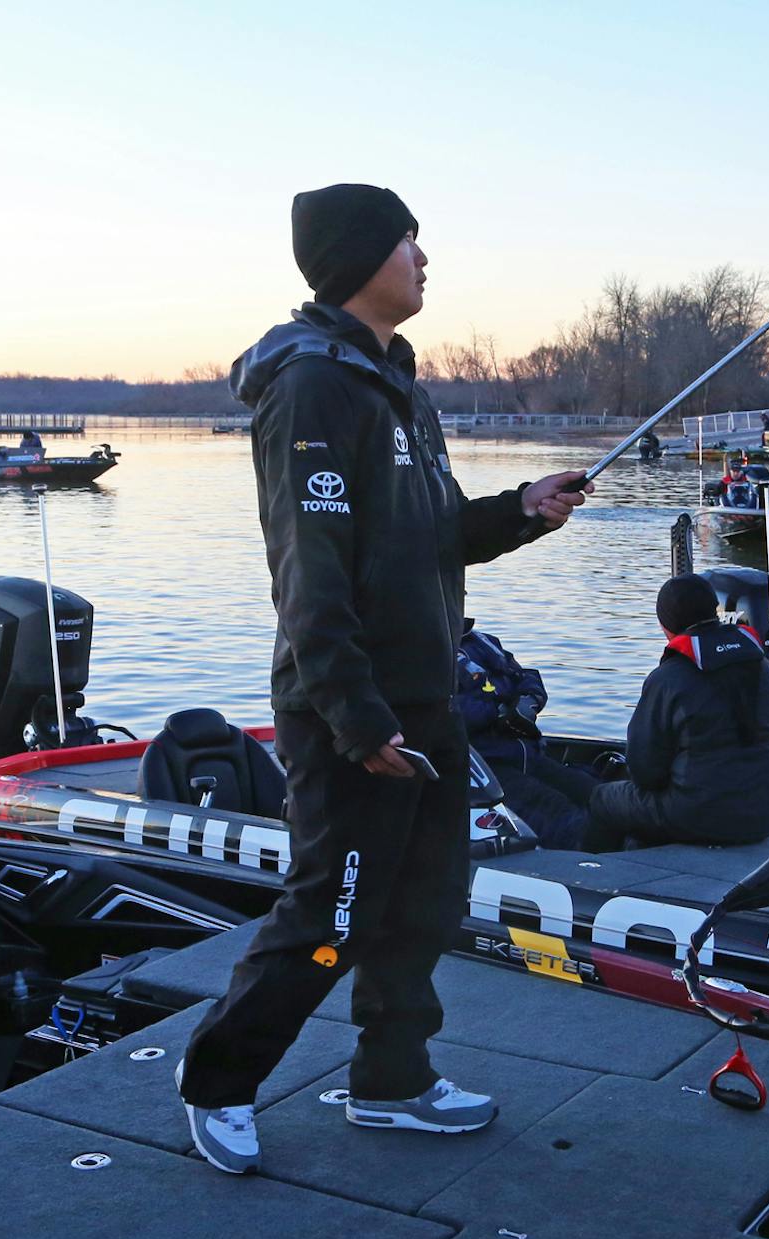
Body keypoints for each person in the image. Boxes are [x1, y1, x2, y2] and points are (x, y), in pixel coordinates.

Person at [175, 183, 592, 1175]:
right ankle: (218, 1077)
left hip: (426, 695)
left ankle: (392, 1078)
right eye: (410, 239)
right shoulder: (313, 386)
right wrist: (357, 720)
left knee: (427, 899)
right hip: (350, 708)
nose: (424, 256)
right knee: (336, 906)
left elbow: (430, 535)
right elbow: (307, 571)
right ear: (361, 255)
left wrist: (522, 509)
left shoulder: (393, 381)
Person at [583, 576, 769, 851]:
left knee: (602, 798)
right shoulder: (767, 669)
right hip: (763, 816)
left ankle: (589, 872)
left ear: (665, 625)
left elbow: (645, 772)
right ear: (714, 611)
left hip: (695, 817)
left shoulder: (668, 678)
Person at [456, 622, 597, 849]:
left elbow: (528, 677)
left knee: (595, 794)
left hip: (527, 754)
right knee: (563, 815)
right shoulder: (426, 649)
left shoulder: (484, 641)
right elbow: (447, 712)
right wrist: (499, 711)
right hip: (486, 768)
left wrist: (528, 700)